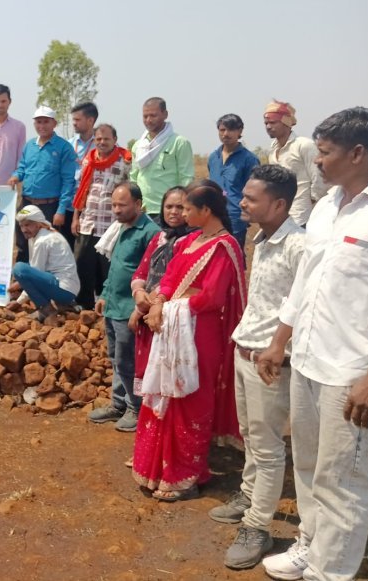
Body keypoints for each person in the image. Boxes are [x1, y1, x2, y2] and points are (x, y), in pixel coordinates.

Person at [257, 107, 368, 581]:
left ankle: (331, 572)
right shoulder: (325, 207)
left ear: (358, 152)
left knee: (343, 481)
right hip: (306, 360)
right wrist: (279, 341)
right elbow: (305, 283)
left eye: (325, 153)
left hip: (350, 373)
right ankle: (310, 545)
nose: (317, 162)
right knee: (307, 464)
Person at [202, 165, 304, 570]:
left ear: (278, 204)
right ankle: (249, 493)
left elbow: (300, 305)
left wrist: (278, 347)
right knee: (250, 435)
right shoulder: (261, 237)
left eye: (251, 198)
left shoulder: (299, 246)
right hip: (245, 349)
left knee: (267, 445)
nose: (240, 202)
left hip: (268, 360)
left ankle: (258, 526)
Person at [132, 182, 246, 501]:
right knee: (162, 395)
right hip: (171, 325)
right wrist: (157, 303)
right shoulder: (191, 240)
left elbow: (211, 296)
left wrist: (164, 308)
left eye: (188, 208)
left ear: (206, 211)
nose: (181, 213)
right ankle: (157, 469)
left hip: (200, 334)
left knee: (190, 401)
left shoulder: (225, 246)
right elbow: (169, 278)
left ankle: (185, 476)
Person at [90, 182, 160, 432]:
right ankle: (118, 404)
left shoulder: (150, 233)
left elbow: (153, 277)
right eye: (114, 205)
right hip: (113, 304)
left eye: (122, 205)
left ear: (138, 205)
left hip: (130, 309)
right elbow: (118, 266)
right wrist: (105, 293)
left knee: (129, 360)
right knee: (116, 358)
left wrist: (140, 309)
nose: (116, 210)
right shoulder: (122, 227)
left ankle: (135, 407)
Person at [128, 186, 195, 403]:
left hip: (171, 317)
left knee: (169, 370)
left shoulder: (194, 241)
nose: (173, 212)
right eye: (169, 206)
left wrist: (142, 307)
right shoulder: (160, 237)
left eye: (180, 207)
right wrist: (138, 294)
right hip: (148, 311)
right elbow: (142, 271)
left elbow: (175, 280)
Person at [70, 123, 132, 309]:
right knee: (83, 265)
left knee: (108, 269)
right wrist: (75, 218)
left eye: (106, 139)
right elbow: (81, 191)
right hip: (88, 222)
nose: (102, 142)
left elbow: (130, 192)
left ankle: (109, 306)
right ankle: (84, 305)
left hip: (111, 225)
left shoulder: (124, 162)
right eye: (98, 139)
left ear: (115, 140)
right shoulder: (89, 160)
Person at [8, 106, 77, 260]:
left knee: (47, 245)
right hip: (27, 202)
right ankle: (21, 279)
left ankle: (44, 281)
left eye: (46, 122)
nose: (42, 126)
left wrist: (61, 210)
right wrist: (15, 177)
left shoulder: (64, 147)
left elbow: (68, 181)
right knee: (23, 242)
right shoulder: (30, 145)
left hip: (50, 206)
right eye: (38, 122)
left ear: (54, 123)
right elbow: (22, 169)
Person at [7, 205, 80, 322]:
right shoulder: (39, 234)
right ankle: (59, 305)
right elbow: (35, 269)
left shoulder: (42, 241)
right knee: (20, 270)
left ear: (38, 224)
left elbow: (35, 274)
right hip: (65, 288)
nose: (24, 229)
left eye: (27, 225)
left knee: (19, 269)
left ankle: (46, 309)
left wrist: (18, 301)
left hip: (64, 289)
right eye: (21, 226)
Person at [264, 100, 328, 226]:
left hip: (303, 215)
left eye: (273, 122)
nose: (268, 126)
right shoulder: (273, 149)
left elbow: (319, 177)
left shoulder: (304, 145)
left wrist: (312, 202)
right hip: (282, 215)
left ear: (286, 122)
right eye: (266, 123)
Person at [129, 97, 195, 220]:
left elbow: (186, 179)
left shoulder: (179, 143)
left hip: (168, 211)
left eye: (153, 115)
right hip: (142, 210)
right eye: (145, 116)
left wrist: (181, 207)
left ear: (165, 114)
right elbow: (134, 177)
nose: (148, 120)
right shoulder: (138, 146)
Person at [207, 114, 261, 248]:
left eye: (231, 130)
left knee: (233, 255)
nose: (226, 134)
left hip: (236, 216)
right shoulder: (213, 157)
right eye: (222, 130)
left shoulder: (249, 159)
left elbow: (255, 191)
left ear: (240, 131)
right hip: (213, 215)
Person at [70, 102, 99, 183]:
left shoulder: (103, 146)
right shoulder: (69, 145)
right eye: (73, 119)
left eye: (77, 120)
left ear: (90, 120)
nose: (74, 123)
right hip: (71, 193)